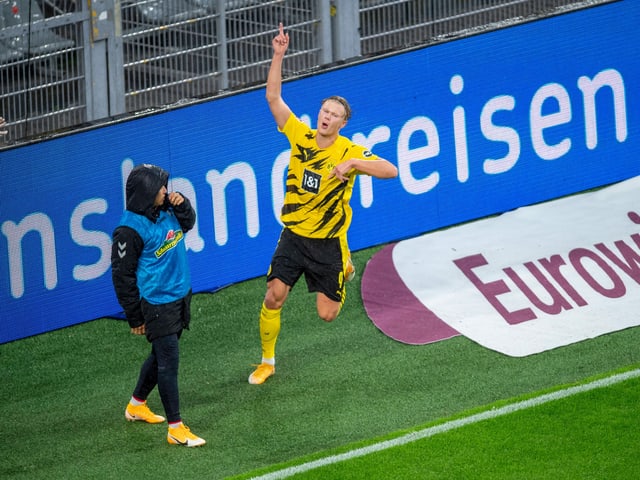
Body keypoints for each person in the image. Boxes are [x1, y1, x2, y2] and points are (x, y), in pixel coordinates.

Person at [248, 23, 399, 385]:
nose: (326, 116)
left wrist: (354, 164)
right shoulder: (300, 135)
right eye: (324, 110)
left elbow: (390, 170)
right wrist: (278, 54)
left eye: (334, 114)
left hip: (328, 243)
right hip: (294, 235)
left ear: (343, 123)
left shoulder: (349, 150)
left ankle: (345, 264)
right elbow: (273, 99)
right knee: (274, 296)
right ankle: (267, 361)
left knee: (327, 315)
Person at [111, 164, 205, 447]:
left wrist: (183, 205)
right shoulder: (128, 230)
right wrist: (134, 316)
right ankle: (175, 428)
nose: (166, 190)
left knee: (161, 355)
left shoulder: (166, 209)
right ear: (146, 193)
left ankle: (136, 405)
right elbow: (122, 276)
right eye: (160, 187)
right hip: (156, 303)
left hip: (178, 295)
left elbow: (187, 224)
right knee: (168, 361)